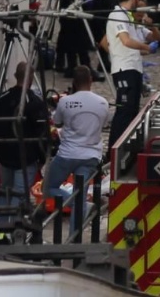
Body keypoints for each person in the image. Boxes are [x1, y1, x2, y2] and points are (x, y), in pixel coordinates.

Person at [45, 66, 109, 231]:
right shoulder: (102, 102)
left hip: (67, 154)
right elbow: (103, 124)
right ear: (91, 81)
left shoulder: (65, 102)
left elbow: (57, 122)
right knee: (80, 196)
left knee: (48, 187)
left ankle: (76, 203)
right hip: (90, 156)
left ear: (73, 82)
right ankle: (74, 238)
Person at [0, 62, 49, 219]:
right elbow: (41, 133)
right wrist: (42, 157)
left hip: (5, 154)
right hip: (26, 157)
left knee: (4, 191)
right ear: (31, 78)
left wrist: (0, 138)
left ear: (15, 76)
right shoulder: (34, 102)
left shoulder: (0, 99)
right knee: (19, 195)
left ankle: (0, 230)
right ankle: (10, 232)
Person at [106, 0, 159, 152]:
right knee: (124, 111)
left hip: (134, 69)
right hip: (124, 69)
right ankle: (113, 151)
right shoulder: (117, 15)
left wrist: (153, 25)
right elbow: (126, 41)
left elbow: (155, 37)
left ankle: (127, 148)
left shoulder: (129, 18)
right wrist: (147, 48)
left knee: (132, 112)